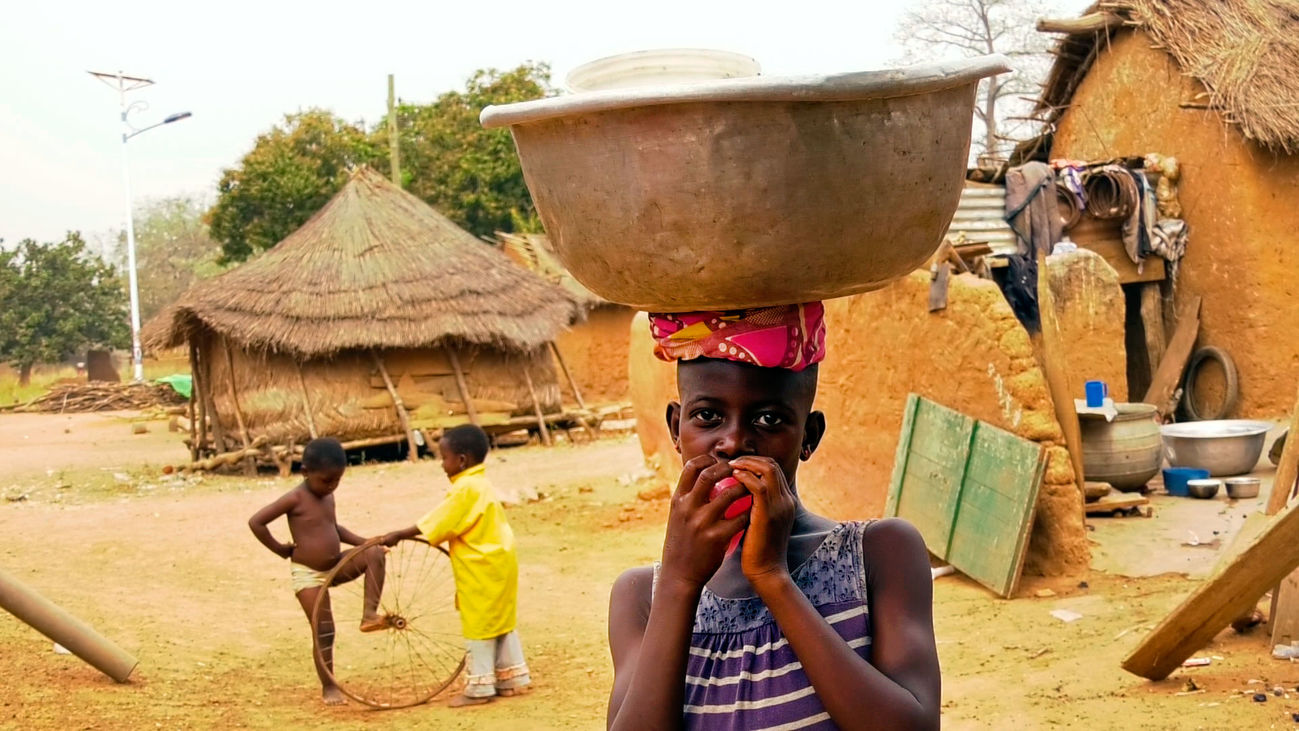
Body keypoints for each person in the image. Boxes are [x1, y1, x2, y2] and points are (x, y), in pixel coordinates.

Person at [606, 303, 941, 730]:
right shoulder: (643, 595)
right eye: (707, 415)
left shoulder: (878, 554)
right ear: (676, 428)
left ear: (809, 436)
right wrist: (678, 582)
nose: (733, 441)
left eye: (769, 419)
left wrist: (772, 576)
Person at [382, 424, 532, 707]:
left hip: (481, 566)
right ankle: (512, 679)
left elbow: (440, 521)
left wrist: (398, 534)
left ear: (461, 460)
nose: (442, 465)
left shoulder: (466, 488)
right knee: (500, 620)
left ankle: (480, 687)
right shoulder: (480, 484)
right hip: (499, 561)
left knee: (478, 623)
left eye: (444, 458)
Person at [248, 436, 387, 706]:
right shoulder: (295, 498)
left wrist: (367, 542)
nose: (331, 486)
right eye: (326, 480)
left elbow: (334, 529)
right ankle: (329, 686)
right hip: (308, 575)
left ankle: (369, 614)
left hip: (335, 565)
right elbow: (256, 522)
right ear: (305, 472)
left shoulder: (328, 495)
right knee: (324, 630)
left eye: (337, 480)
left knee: (375, 555)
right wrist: (279, 549)